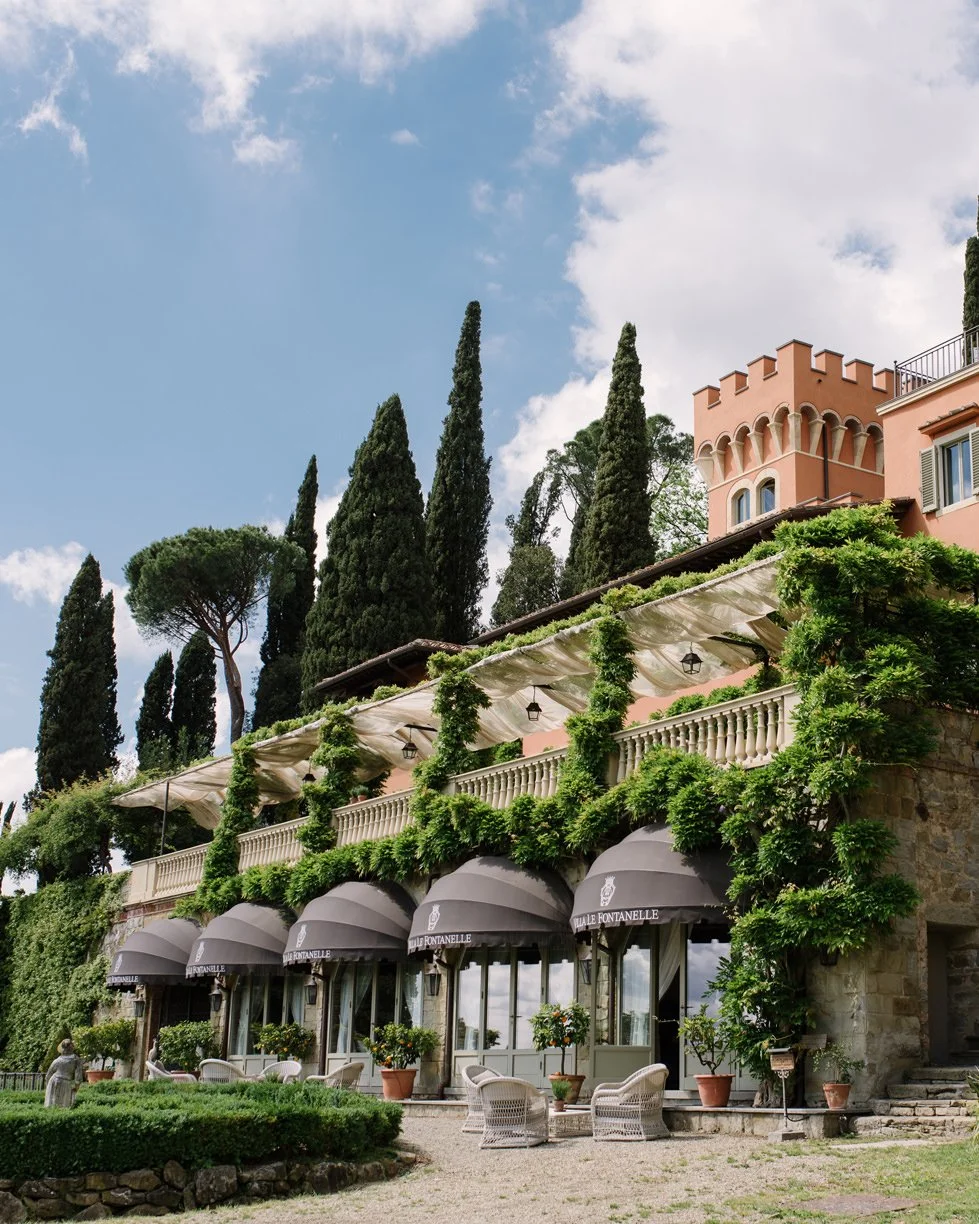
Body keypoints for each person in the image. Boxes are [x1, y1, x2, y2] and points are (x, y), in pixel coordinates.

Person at [44, 1038, 85, 1108]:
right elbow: (78, 1077)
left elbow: (48, 1075)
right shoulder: (76, 1060)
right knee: (63, 1106)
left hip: (53, 1081)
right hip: (66, 1083)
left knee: (51, 1105)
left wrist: (48, 1087)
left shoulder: (57, 1060)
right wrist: (76, 1087)